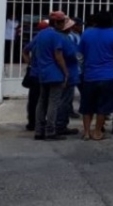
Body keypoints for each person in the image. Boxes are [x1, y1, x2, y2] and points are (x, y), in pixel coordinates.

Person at [78, 11, 113, 140]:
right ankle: (97, 132)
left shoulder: (86, 34)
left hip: (89, 76)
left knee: (87, 106)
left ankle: (86, 132)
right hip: (108, 76)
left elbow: (79, 56)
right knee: (103, 106)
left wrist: (83, 69)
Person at [33, 11, 70, 141]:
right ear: (57, 23)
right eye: (62, 22)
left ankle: (39, 131)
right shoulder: (56, 36)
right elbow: (58, 56)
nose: (64, 25)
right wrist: (65, 72)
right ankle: (50, 131)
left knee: (42, 102)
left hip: (42, 72)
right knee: (53, 103)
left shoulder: (41, 34)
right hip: (55, 73)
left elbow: (31, 50)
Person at [22, 20, 49, 131]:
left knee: (33, 100)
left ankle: (32, 122)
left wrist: (30, 63)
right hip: (43, 74)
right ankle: (39, 122)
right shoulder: (45, 38)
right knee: (43, 100)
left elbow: (25, 50)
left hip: (35, 73)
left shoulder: (36, 38)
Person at [54, 18, 80, 136]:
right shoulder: (65, 39)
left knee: (60, 100)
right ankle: (60, 125)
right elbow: (73, 55)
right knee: (64, 101)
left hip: (62, 73)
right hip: (68, 74)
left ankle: (58, 124)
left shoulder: (55, 37)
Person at [67, 17, 84, 119]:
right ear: (74, 26)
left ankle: (82, 108)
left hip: (79, 68)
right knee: (69, 92)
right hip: (74, 68)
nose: (81, 27)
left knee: (82, 90)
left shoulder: (78, 35)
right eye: (79, 25)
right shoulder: (71, 36)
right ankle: (69, 110)